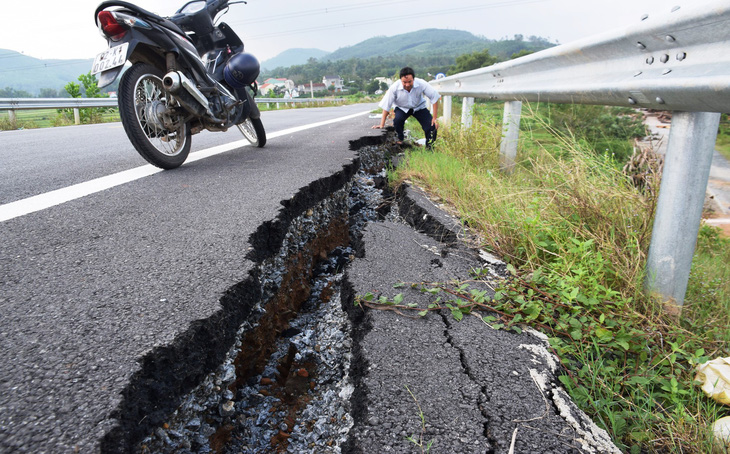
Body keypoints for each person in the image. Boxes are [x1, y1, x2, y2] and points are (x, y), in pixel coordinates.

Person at [372, 67, 440, 149]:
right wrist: (381, 124)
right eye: (404, 82)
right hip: (402, 108)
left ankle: (430, 148)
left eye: (410, 82)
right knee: (397, 121)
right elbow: (387, 105)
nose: (407, 85)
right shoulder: (394, 87)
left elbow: (434, 97)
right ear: (401, 80)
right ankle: (400, 139)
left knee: (432, 126)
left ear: (413, 79)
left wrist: (435, 118)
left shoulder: (421, 84)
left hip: (418, 107)